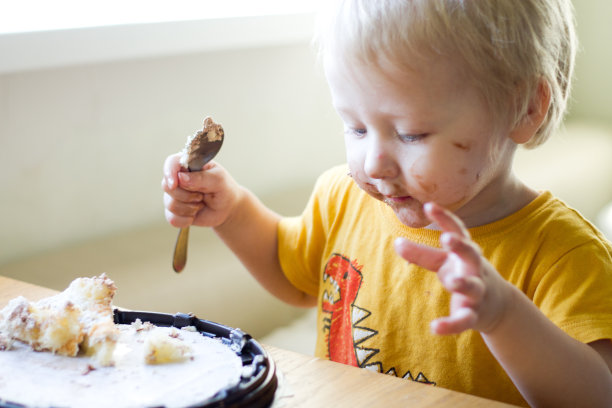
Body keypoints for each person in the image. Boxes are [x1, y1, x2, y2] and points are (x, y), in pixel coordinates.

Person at [162, 1, 612, 406]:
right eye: (355, 127)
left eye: (411, 133)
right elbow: (294, 276)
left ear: (525, 108)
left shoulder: (565, 254)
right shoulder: (343, 196)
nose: (374, 162)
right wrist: (233, 211)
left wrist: (504, 316)